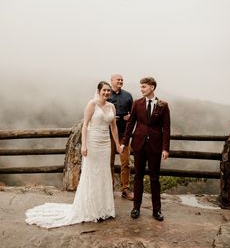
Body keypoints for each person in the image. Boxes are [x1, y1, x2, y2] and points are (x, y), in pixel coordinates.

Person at [25, 81, 123, 228]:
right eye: (104, 90)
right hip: (93, 142)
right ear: (98, 91)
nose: (107, 93)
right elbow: (85, 127)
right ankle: (90, 208)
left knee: (103, 173)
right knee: (92, 174)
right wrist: (84, 145)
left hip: (105, 144)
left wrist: (117, 144)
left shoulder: (111, 107)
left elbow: (114, 127)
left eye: (109, 91)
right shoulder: (91, 104)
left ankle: (104, 208)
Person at [121, 77, 171, 221]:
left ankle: (157, 210)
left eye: (143, 87)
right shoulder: (137, 103)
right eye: (141, 87)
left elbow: (166, 129)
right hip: (139, 145)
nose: (141, 89)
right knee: (138, 177)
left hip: (155, 146)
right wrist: (124, 142)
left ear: (152, 87)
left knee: (155, 178)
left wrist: (165, 148)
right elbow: (130, 124)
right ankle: (136, 208)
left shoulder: (163, 105)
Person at [108, 74, 134, 200]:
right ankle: (109, 189)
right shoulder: (106, 95)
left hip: (124, 134)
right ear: (111, 81)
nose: (120, 81)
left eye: (122, 80)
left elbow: (133, 114)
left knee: (126, 163)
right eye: (118, 79)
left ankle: (125, 189)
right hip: (109, 135)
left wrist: (129, 118)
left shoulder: (128, 96)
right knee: (109, 163)